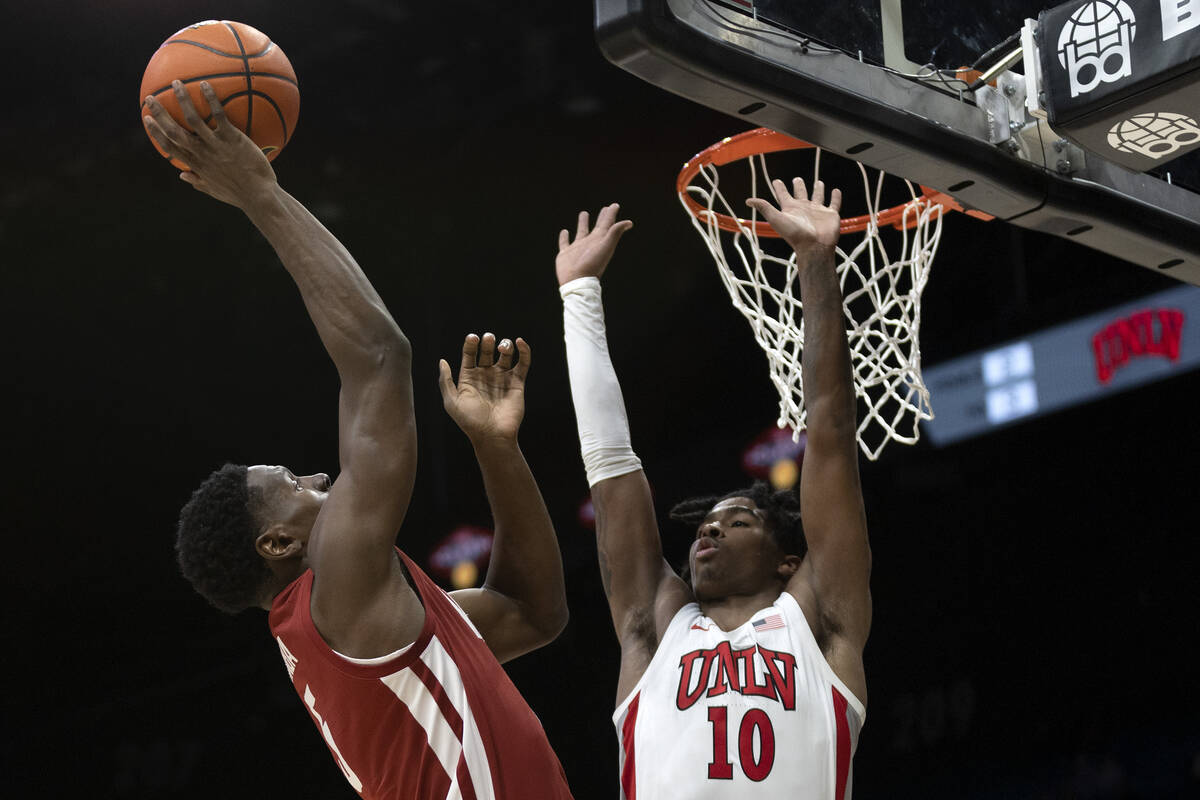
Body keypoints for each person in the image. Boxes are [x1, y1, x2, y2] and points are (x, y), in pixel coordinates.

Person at [145, 80, 574, 800]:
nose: (319, 478)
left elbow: (534, 614)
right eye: (296, 484)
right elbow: (379, 356)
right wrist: (260, 194)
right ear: (278, 544)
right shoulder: (333, 592)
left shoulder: (363, 621)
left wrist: (496, 449)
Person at [555, 183, 870, 799]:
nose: (708, 528)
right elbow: (611, 469)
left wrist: (814, 262)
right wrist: (578, 296)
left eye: (739, 521)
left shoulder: (818, 622)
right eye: (709, 523)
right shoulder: (655, 627)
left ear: (789, 561)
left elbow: (830, 431)